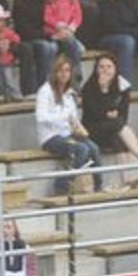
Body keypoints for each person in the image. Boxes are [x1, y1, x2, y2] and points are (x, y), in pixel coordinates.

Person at [80, 51, 138, 189]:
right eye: (101, 67)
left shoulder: (123, 86)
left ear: (115, 68)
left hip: (113, 128)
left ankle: (126, 180)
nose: (105, 70)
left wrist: (112, 115)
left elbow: (124, 114)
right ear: (96, 69)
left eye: (109, 67)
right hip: (92, 130)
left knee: (117, 136)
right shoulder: (89, 87)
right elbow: (94, 114)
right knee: (117, 125)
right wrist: (103, 90)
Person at [36, 53, 103, 194]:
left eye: (67, 70)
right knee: (81, 149)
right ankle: (61, 186)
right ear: (55, 72)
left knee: (94, 148)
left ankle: (98, 185)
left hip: (68, 133)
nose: (64, 74)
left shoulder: (70, 93)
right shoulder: (45, 91)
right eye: (60, 70)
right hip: (51, 137)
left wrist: (78, 127)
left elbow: (73, 118)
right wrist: (63, 117)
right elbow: (41, 117)